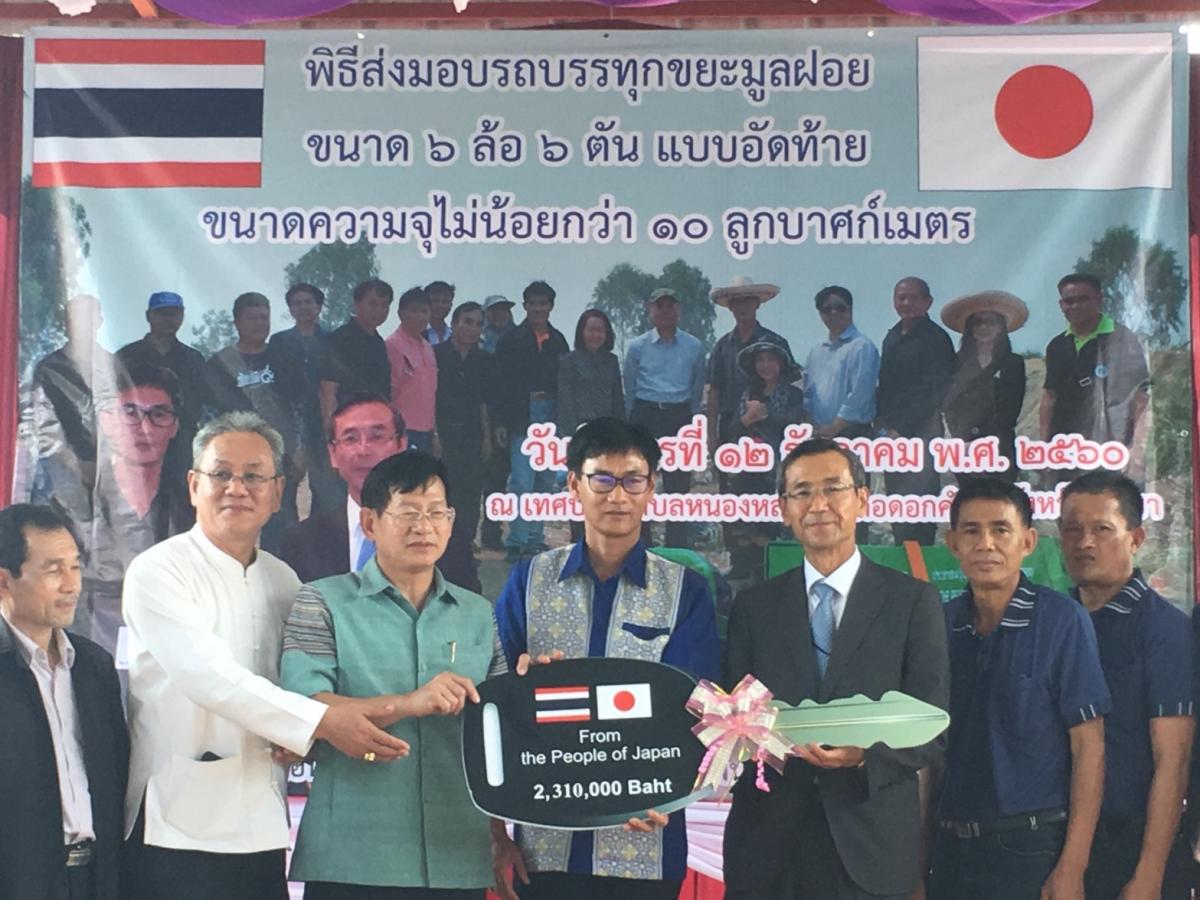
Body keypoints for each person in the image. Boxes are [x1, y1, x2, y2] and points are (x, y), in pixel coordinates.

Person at [122, 411, 410, 900]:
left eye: (253, 476)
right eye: (221, 474)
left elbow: (301, 680)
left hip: (262, 817)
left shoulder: (283, 579)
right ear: (193, 485)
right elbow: (209, 678)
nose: (237, 488)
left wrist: (313, 730)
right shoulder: (159, 571)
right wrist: (320, 723)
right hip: (176, 822)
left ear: (278, 493)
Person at [492, 417, 720, 900]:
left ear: (651, 488)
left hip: (645, 840)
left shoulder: (684, 591)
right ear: (574, 484)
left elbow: (693, 709)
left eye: (632, 480)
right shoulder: (529, 582)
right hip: (545, 841)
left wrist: (665, 788)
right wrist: (524, 685)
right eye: (602, 479)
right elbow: (493, 700)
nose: (617, 495)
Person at [722, 438, 949, 900]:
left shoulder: (911, 602)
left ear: (862, 499)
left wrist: (865, 757)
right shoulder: (753, 608)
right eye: (802, 492)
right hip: (769, 849)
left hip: (870, 845)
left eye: (832, 488)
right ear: (784, 509)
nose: (818, 505)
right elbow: (732, 722)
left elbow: (932, 727)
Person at [282, 451, 504, 898]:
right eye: (407, 513)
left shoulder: (478, 613)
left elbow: (498, 731)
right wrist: (409, 703)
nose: (424, 526)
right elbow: (303, 709)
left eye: (436, 512)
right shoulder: (321, 601)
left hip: (457, 852)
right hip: (352, 857)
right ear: (370, 523)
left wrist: (498, 836)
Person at [930, 478, 1110, 900]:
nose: (986, 544)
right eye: (971, 531)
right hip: (949, 847)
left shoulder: (1061, 620)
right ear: (952, 543)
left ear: (1028, 541)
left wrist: (1073, 866)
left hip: (1029, 846)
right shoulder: (939, 623)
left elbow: (1089, 747)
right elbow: (927, 752)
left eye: (1001, 529)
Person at [1058, 472, 1195, 899]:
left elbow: (1173, 760)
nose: (1085, 542)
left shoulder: (1163, 629)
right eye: (1072, 529)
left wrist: (1149, 874)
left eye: (1102, 529)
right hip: (1054, 841)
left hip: (1132, 844)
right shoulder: (1055, 622)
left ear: (1135, 538)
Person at [0, 503, 128, 900]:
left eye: (75, 567)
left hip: (94, 878)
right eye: (54, 570)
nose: (71, 585)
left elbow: (117, 776)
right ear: (5, 581)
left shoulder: (94, 666)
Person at [68, 362, 194, 658]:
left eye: (158, 415)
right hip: (88, 650)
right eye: (130, 413)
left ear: (175, 426)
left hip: (170, 651)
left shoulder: (192, 507)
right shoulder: (74, 504)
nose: (145, 429)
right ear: (106, 421)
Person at [204, 291, 305, 552]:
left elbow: (301, 406)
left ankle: (281, 572)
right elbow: (208, 414)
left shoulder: (284, 357)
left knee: (282, 526)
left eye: (264, 318)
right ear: (237, 322)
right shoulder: (219, 363)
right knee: (234, 522)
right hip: (234, 461)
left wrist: (301, 450)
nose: (259, 324)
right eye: (252, 318)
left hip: (280, 458)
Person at [706, 275, 790, 578]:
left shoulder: (775, 343)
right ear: (730, 306)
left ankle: (770, 563)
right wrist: (712, 438)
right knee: (734, 500)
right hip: (733, 432)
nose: (742, 306)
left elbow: (789, 387)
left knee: (769, 498)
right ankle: (739, 564)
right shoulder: (722, 347)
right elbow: (713, 393)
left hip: (770, 434)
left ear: (756, 304)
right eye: (736, 301)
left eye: (747, 301)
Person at [280, 393, 407, 584]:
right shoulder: (302, 542)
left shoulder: (439, 537)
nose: (363, 450)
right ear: (332, 453)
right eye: (351, 439)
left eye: (377, 437)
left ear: (401, 446)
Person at [1041, 273, 1150, 473]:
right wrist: (1044, 448)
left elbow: (1140, 398)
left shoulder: (1122, 340)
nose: (1075, 306)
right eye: (1069, 301)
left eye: (1083, 299)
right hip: (1065, 451)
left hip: (1111, 449)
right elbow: (1049, 398)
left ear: (1099, 299)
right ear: (1061, 305)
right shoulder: (1056, 346)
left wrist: (1137, 448)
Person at [875, 276, 955, 546]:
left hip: (921, 434)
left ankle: (922, 566)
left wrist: (902, 429)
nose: (906, 303)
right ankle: (902, 562)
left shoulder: (936, 339)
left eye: (913, 297)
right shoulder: (891, 337)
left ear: (927, 302)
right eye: (901, 297)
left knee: (920, 507)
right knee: (898, 505)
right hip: (890, 435)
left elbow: (934, 393)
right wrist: (883, 425)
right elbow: (884, 385)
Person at [493, 281, 570, 562]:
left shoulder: (558, 341)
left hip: (551, 415)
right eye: (533, 303)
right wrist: (500, 422)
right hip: (521, 416)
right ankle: (517, 540)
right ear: (525, 306)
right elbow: (500, 386)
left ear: (551, 306)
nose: (538, 308)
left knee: (545, 481)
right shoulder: (510, 341)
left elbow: (565, 383)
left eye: (543, 303)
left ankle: (536, 539)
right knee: (522, 481)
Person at [624, 287, 706, 548]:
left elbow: (697, 387)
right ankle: (642, 544)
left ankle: (676, 546)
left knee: (678, 485)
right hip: (645, 413)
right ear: (651, 310)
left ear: (678, 310)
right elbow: (629, 387)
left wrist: (693, 422)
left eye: (670, 306)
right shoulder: (637, 347)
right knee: (640, 480)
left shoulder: (694, 347)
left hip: (679, 415)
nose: (665, 312)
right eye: (660, 306)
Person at [27, 294, 115, 505]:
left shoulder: (116, 369)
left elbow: (128, 423)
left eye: (88, 318)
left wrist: (110, 464)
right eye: (75, 318)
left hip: (112, 475)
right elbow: (43, 425)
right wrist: (76, 465)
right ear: (66, 324)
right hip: (61, 474)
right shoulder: (49, 370)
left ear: (99, 321)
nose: (82, 325)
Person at [270, 283, 342, 514]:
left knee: (327, 494)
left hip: (324, 425)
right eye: (297, 303)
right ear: (290, 309)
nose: (303, 307)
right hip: (290, 426)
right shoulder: (279, 342)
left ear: (319, 306)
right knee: (284, 492)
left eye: (308, 302)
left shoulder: (333, 340)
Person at [435, 301, 492, 592]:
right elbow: (429, 397)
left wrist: (487, 436)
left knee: (470, 500)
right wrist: (434, 433)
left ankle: (465, 552)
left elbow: (484, 401)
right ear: (454, 323)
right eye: (467, 322)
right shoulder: (436, 354)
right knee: (444, 496)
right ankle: (442, 556)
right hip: (443, 436)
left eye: (478, 324)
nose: (472, 329)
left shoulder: (483, 360)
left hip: (472, 436)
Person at [940, 291, 1028, 482]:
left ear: (1001, 327)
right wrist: (961, 438)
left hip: (1000, 446)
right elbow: (950, 405)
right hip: (964, 446)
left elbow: (1011, 408)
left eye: (991, 322)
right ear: (970, 328)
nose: (984, 327)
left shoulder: (1012, 363)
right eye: (977, 322)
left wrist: (987, 440)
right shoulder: (955, 363)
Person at [116, 290, 208, 469]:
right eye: (162, 313)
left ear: (182, 316)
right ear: (148, 316)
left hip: (182, 448)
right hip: (138, 443)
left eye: (174, 314)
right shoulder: (126, 357)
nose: (168, 319)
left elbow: (202, 404)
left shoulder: (193, 359)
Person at [803, 286, 879, 442]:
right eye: (827, 309)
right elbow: (808, 394)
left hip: (853, 434)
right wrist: (812, 425)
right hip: (819, 434)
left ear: (850, 309)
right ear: (820, 314)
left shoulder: (862, 346)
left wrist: (835, 427)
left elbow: (860, 394)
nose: (834, 313)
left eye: (840, 308)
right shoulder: (815, 352)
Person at [319, 279, 394, 427]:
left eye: (384, 305)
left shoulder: (379, 343)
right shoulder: (340, 339)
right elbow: (328, 390)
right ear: (357, 304)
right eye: (372, 304)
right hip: (348, 425)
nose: (378, 310)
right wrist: (331, 428)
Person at [479, 294, 516, 552]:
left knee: (498, 479)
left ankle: (492, 532)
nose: (500, 314)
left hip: (507, 413)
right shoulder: (478, 338)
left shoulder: (516, 339)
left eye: (504, 309)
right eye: (495, 310)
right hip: (478, 411)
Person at [387, 286, 440, 455]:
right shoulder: (393, 345)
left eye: (424, 312)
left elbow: (431, 395)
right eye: (414, 311)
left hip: (426, 431)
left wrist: (434, 433)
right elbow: (390, 392)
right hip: (402, 430)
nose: (420, 317)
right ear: (401, 314)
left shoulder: (428, 348)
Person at [557, 308, 624, 436]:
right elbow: (565, 402)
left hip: (607, 429)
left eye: (600, 331)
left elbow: (617, 400)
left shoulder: (612, 361)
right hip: (580, 429)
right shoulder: (569, 361)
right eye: (591, 330)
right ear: (581, 332)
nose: (596, 335)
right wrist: (569, 435)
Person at [424, 280, 456, 345]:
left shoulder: (455, 335)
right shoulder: (415, 333)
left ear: (451, 305)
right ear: (426, 303)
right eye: (435, 301)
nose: (440, 305)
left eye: (445, 301)